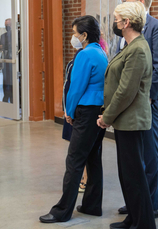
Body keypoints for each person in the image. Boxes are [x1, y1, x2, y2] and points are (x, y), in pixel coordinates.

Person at [40, 15, 108, 224]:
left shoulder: (84, 55)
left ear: (84, 35)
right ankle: (92, 205)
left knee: (75, 160)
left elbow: (75, 87)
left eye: (75, 33)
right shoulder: (101, 53)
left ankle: (62, 211)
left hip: (85, 111)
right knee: (93, 158)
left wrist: (68, 111)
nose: (73, 37)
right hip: (98, 110)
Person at [97, 2, 156, 229]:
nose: (114, 22)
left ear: (126, 22)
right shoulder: (130, 46)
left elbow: (126, 91)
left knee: (134, 176)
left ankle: (144, 224)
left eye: (115, 18)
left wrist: (106, 117)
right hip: (125, 121)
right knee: (128, 175)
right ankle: (133, 218)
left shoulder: (138, 49)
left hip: (132, 121)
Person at [116, 0, 158, 218]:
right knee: (133, 156)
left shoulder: (157, 28)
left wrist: (146, 98)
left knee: (149, 154)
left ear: (139, 1)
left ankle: (152, 205)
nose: (123, 0)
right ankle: (137, 203)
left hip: (147, 103)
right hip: (129, 103)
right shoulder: (125, 26)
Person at [0, 18, 13, 103]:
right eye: (5, 25)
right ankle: (6, 96)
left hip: (14, 61)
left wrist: (5, 46)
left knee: (13, 80)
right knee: (5, 80)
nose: (7, 27)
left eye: (8, 25)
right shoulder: (3, 36)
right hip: (6, 61)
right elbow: (0, 46)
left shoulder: (16, 34)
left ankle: (13, 98)